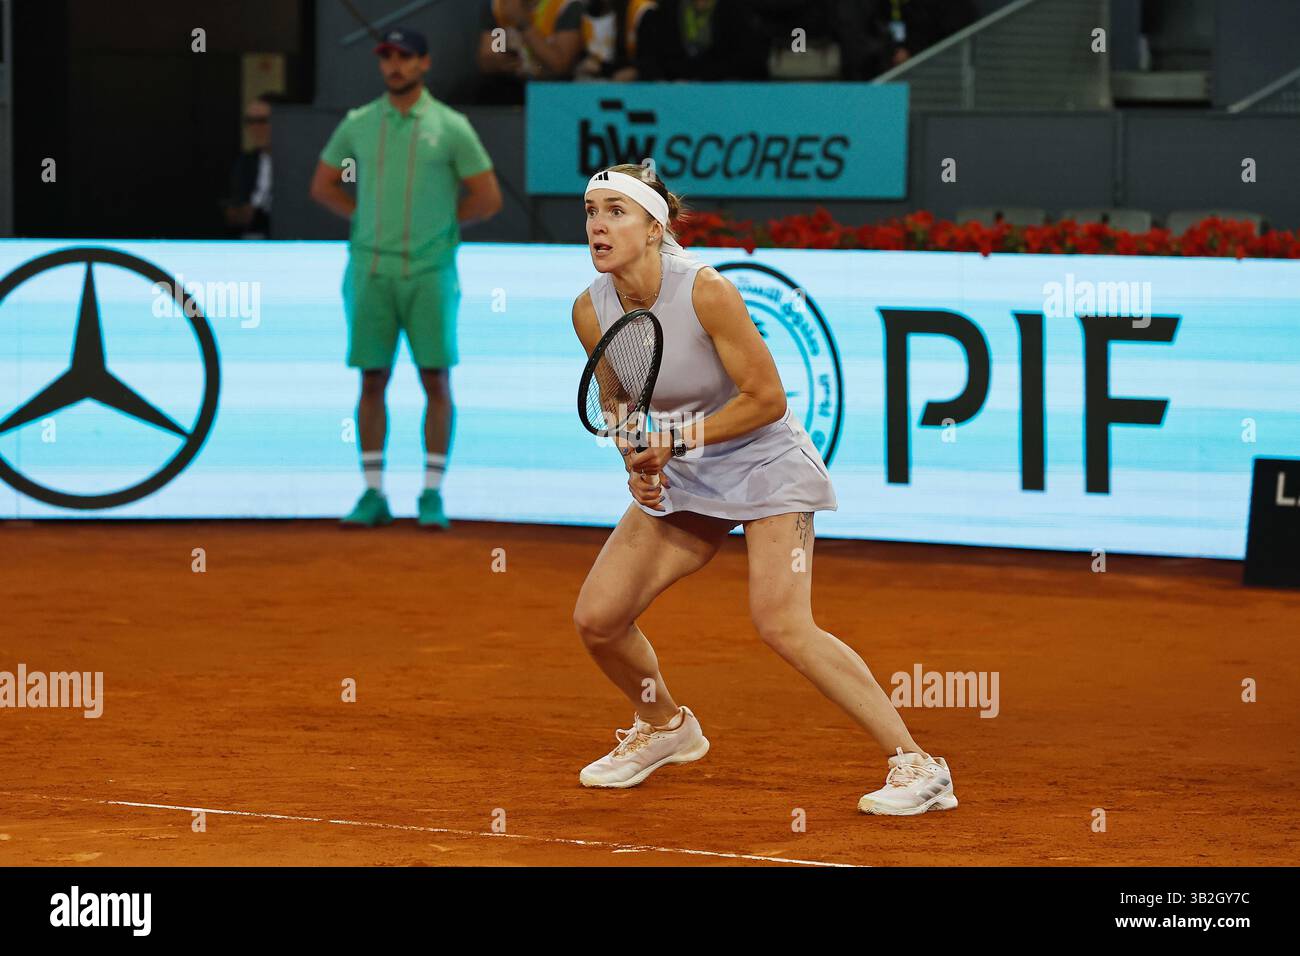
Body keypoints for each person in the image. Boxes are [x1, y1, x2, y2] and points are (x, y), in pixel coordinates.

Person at [569, 164, 958, 815]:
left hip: (766, 468)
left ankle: (918, 764)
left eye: (616, 211)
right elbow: (616, 396)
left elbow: (769, 401)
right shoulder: (590, 309)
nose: (598, 226)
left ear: (654, 226)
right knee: (598, 618)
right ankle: (666, 727)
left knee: (782, 622)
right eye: (590, 211)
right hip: (687, 477)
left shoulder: (707, 292)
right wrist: (632, 451)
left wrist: (676, 439)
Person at [310, 28, 503, 529]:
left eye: (404, 57)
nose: (394, 65)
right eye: (387, 57)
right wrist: (365, 222)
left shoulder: (451, 126)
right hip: (369, 269)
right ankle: (372, 493)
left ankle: (431, 495)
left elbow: (487, 198)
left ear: (424, 63)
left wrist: (436, 228)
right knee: (371, 378)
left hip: (431, 271)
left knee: (435, 379)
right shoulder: (359, 124)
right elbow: (323, 184)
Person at [476, 0, 586, 104]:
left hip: (553, 91)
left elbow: (560, 66)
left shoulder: (564, 6)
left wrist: (523, 24)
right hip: (512, 87)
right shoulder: (499, 6)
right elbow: (487, 60)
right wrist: (504, 62)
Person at [636, 0, 767, 81]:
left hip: (723, 94)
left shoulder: (738, 12)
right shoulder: (662, 12)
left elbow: (750, 61)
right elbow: (649, 58)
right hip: (673, 94)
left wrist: (702, 78)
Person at [224, 94, 276, 239]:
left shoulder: (297, 166)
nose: (255, 128)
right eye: (250, 121)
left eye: (262, 121)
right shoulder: (245, 162)